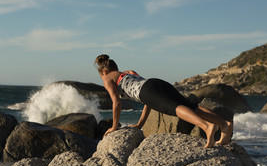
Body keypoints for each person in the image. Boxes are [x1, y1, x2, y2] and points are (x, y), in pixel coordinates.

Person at [94, 54, 233, 148]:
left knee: (175, 108)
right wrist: (140, 124)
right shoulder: (129, 72)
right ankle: (223, 124)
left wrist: (113, 127)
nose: (102, 80)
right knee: (191, 106)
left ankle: (207, 126)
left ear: (104, 72)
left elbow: (116, 102)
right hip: (155, 82)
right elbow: (149, 100)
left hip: (146, 90)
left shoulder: (107, 78)